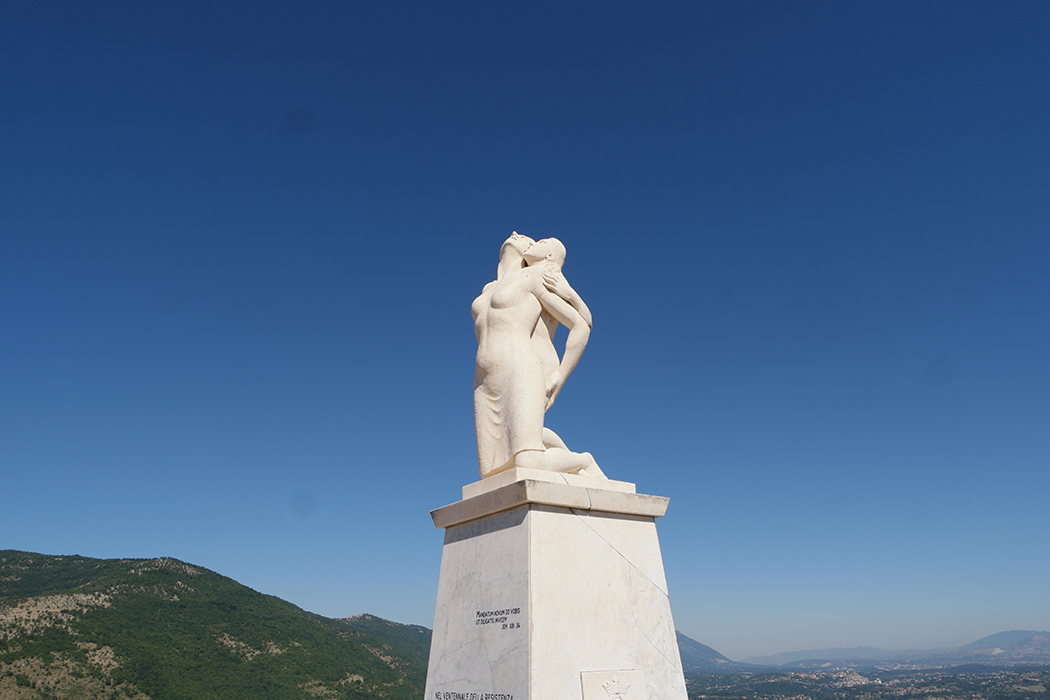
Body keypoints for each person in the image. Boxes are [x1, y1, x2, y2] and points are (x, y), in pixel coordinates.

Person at [472, 233, 603, 478]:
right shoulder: (488, 288)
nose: (514, 234)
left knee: (528, 462)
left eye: (525, 238)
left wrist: (560, 376)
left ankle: (582, 461)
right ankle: (559, 455)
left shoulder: (534, 275)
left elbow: (581, 324)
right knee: (492, 471)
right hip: (484, 379)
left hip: (519, 366)